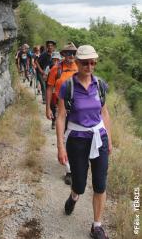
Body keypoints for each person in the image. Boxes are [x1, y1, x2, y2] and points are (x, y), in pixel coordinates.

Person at [56, 45, 112, 239]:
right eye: (85, 63)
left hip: (99, 138)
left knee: (100, 184)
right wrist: (61, 146)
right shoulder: (68, 86)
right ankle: (74, 196)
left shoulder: (100, 85)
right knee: (79, 184)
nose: (90, 66)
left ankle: (96, 226)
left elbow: (104, 113)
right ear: (77, 63)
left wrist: (109, 140)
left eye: (93, 62)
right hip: (77, 140)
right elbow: (61, 117)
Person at [46, 42, 78, 183]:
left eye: (74, 53)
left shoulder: (80, 68)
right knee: (64, 137)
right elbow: (49, 88)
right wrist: (47, 107)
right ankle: (69, 171)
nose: (71, 55)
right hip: (62, 108)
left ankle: (78, 162)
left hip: (78, 108)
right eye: (68, 53)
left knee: (77, 137)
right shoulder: (56, 69)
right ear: (63, 54)